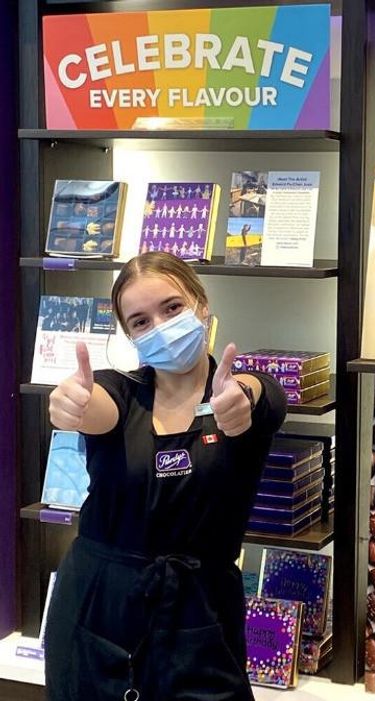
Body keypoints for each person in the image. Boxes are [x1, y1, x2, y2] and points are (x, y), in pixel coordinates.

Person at [43, 251, 287, 701]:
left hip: (200, 613)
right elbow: (93, 404)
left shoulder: (240, 390)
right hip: (97, 602)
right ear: (130, 336)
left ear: (201, 303)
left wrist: (242, 400)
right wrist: (71, 404)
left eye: (172, 308)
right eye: (140, 321)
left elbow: (262, 394)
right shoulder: (121, 390)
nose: (159, 327)